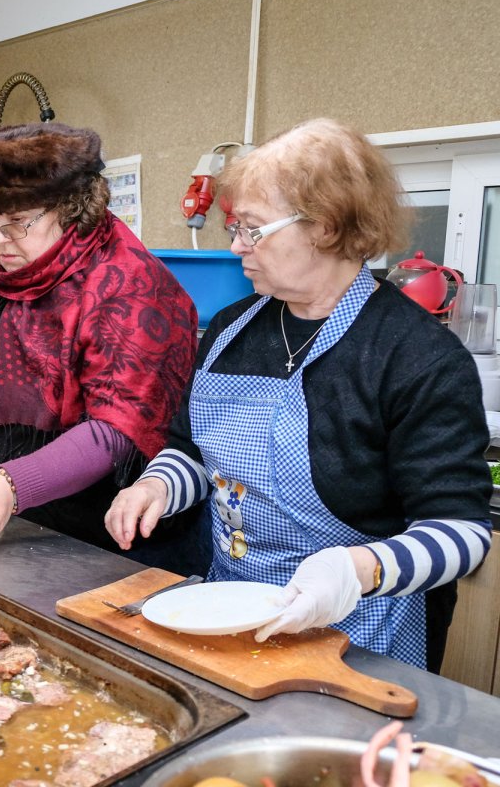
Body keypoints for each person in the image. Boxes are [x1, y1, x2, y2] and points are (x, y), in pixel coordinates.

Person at [104, 117, 492, 671]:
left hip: (363, 634)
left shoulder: (417, 355)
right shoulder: (230, 330)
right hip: (231, 610)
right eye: (234, 227)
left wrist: (357, 570)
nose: (237, 245)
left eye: (253, 228)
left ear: (326, 227)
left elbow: (463, 533)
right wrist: (159, 486)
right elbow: (193, 451)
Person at [0, 122, 200, 560]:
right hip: (16, 519)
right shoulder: (4, 268)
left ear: (71, 207)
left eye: (17, 222)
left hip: (106, 538)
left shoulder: (127, 283)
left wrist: (14, 483)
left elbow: (119, 427)